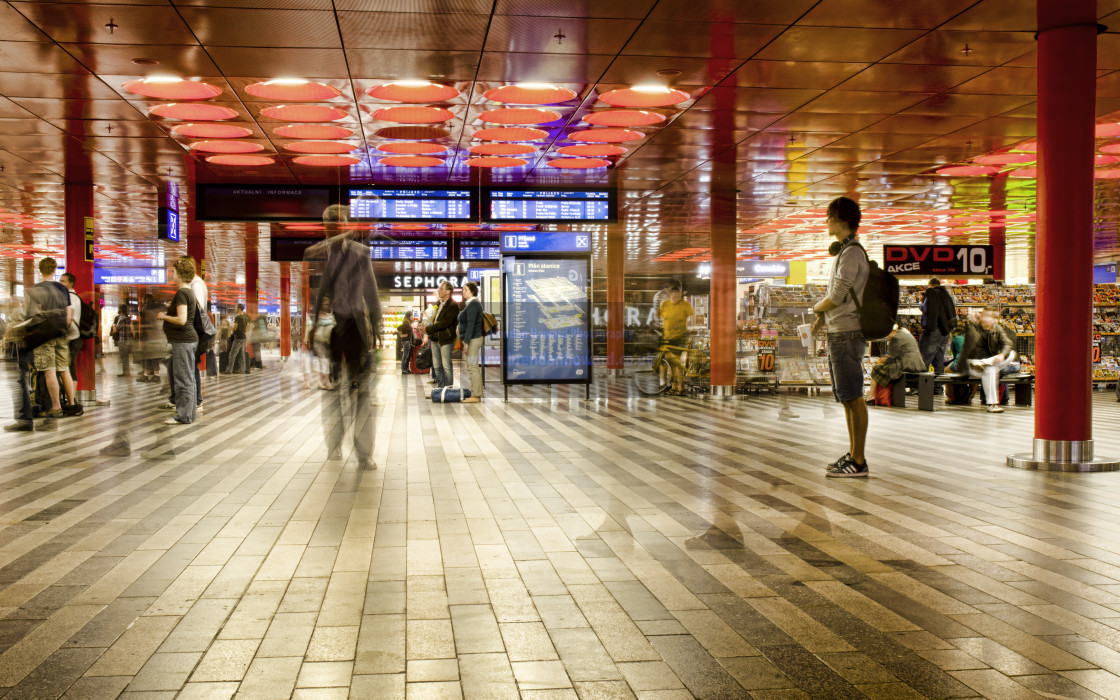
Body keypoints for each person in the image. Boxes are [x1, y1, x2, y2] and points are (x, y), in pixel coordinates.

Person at [305, 202, 381, 469]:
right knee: (334, 391)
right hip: (334, 331)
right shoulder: (324, 252)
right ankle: (334, 443)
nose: (329, 231)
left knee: (360, 392)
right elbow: (321, 288)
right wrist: (313, 327)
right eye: (327, 226)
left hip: (356, 329)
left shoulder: (360, 253)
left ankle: (363, 452)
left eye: (334, 226)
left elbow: (370, 291)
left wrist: (378, 326)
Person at [811, 196, 870, 478]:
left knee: (854, 395)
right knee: (847, 396)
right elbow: (837, 298)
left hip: (847, 332)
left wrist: (816, 308)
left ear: (843, 221)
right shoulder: (844, 252)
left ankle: (858, 461)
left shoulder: (852, 254)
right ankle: (853, 453)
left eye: (830, 217)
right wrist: (822, 317)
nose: (827, 222)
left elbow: (837, 296)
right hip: (839, 330)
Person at [34, 258, 81, 417]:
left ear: (40, 270)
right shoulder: (62, 289)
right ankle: (72, 404)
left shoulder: (38, 288)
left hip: (45, 334)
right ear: (55, 269)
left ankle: (56, 407)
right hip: (62, 332)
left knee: (49, 370)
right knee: (64, 369)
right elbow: (69, 313)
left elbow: (36, 313)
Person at [156, 257, 198, 425]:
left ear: (180, 274)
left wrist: (164, 316)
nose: (172, 274)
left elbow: (181, 320)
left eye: (174, 272)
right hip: (188, 340)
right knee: (188, 379)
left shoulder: (182, 293)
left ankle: (183, 415)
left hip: (183, 340)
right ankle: (189, 413)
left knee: (182, 379)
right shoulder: (190, 292)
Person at [954, 304, 1019, 413]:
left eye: (988, 316)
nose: (985, 318)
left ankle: (984, 363)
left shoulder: (996, 328)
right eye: (983, 315)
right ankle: (992, 404)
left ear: (994, 319)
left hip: (987, 363)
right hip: (972, 364)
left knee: (1011, 354)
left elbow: (1008, 343)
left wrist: (1002, 354)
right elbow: (972, 343)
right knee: (990, 370)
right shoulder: (973, 327)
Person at [865, 325, 925, 405]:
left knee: (876, 369)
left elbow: (892, 357)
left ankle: (871, 397)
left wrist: (881, 360)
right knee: (883, 368)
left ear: (891, 332)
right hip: (916, 364)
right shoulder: (905, 333)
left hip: (906, 365)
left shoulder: (896, 337)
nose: (887, 337)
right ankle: (873, 395)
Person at [658, 282, 694, 395]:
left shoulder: (685, 304)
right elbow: (660, 316)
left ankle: (681, 388)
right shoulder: (665, 304)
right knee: (670, 364)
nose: (676, 298)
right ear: (670, 295)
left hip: (680, 337)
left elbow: (691, 317)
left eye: (678, 296)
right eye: (674, 296)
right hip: (668, 337)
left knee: (677, 363)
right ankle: (673, 387)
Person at [425, 281, 459, 389]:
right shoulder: (439, 304)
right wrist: (426, 324)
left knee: (446, 365)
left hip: (445, 339)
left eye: (441, 289)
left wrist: (428, 329)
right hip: (435, 338)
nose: (439, 291)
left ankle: (448, 389)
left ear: (448, 291)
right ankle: (440, 388)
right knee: (437, 365)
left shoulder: (453, 305)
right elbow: (435, 320)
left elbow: (444, 323)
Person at [919, 278, 956, 377]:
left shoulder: (931, 293)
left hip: (933, 330)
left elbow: (925, 309)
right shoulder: (946, 295)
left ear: (930, 285)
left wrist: (921, 303)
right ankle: (938, 388)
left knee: (924, 357)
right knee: (939, 360)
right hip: (945, 332)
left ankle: (920, 388)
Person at [457, 282, 484, 403]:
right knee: (472, 366)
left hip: (473, 340)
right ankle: (475, 392)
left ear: (472, 291)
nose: (463, 292)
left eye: (465, 290)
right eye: (463, 290)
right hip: (472, 339)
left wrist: (466, 342)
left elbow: (471, 324)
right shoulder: (471, 304)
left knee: (473, 367)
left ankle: (476, 395)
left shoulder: (473, 304)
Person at [59, 272, 83, 383]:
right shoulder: (74, 296)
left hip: (71, 337)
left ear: (71, 283)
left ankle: (71, 397)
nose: (60, 283)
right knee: (69, 366)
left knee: (68, 368)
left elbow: (69, 317)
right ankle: (71, 396)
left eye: (63, 281)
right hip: (75, 337)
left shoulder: (70, 297)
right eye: (60, 280)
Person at [137, 293, 165, 382]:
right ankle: (150, 374)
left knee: (149, 356)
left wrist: (141, 337)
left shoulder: (145, 309)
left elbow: (144, 324)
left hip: (149, 336)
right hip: (159, 336)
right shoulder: (159, 308)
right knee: (152, 357)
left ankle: (154, 375)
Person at [225, 304, 250, 374]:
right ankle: (242, 369)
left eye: (235, 307)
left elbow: (235, 327)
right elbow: (247, 327)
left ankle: (229, 370)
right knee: (242, 354)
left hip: (238, 337)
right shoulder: (245, 317)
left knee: (232, 354)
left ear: (239, 308)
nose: (235, 308)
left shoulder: (238, 317)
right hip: (243, 337)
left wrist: (231, 333)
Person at [111, 303, 133, 377]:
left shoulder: (121, 318)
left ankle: (126, 373)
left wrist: (113, 326)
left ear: (121, 309)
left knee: (123, 357)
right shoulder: (128, 318)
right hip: (127, 340)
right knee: (126, 357)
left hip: (122, 340)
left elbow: (116, 330)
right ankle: (127, 372)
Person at [398, 310, 414, 374]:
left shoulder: (408, 322)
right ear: (409, 316)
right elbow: (398, 328)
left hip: (408, 341)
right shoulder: (406, 323)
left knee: (407, 355)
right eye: (412, 315)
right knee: (405, 355)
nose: (413, 316)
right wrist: (401, 335)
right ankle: (403, 369)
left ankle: (406, 369)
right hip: (406, 341)